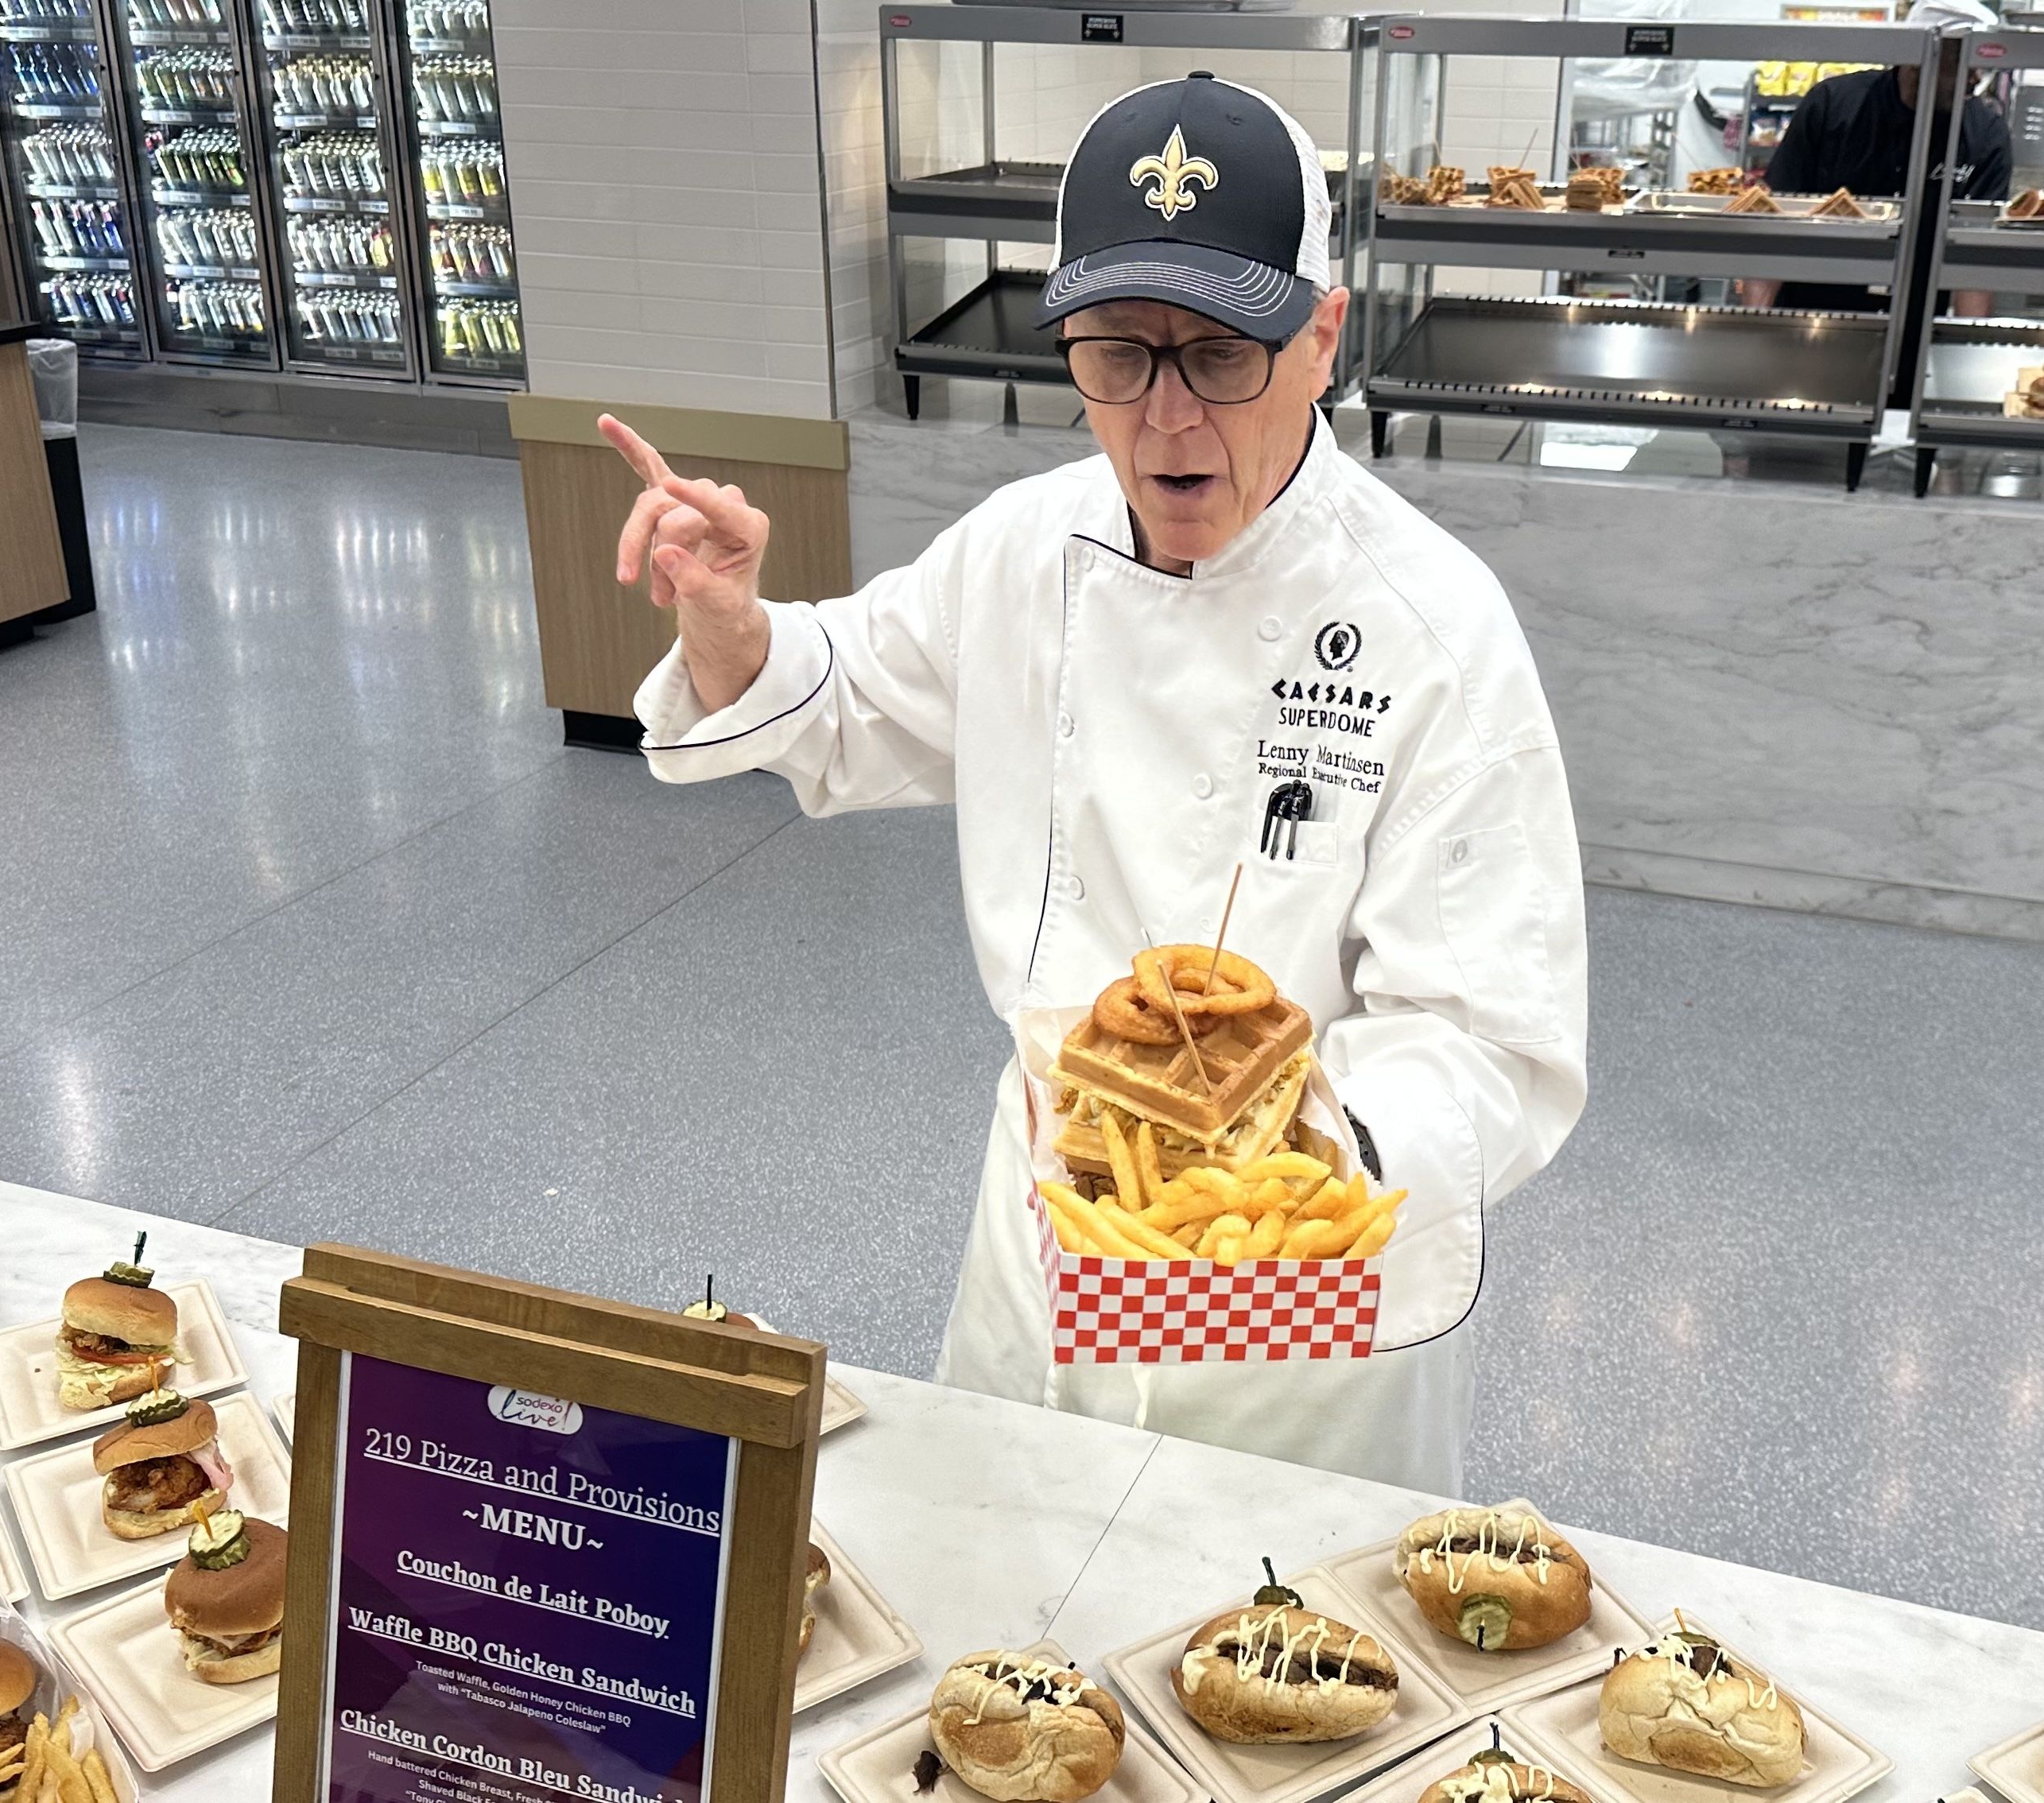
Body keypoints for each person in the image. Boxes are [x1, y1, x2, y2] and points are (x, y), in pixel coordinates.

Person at [601, 76, 1588, 1495]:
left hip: (1297, 1270)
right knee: (1016, 1616)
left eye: (1219, 354)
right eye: (1117, 355)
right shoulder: (1024, 549)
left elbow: (1499, 1040)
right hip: (1051, 1227)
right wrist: (737, 630)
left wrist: (1270, 1156)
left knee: (1258, 1637)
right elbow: (846, 687)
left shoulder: (1431, 627)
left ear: (1322, 336)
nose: (1166, 418)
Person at [1742, 0, 2009, 313]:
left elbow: (1975, 262)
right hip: (1814, 316)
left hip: (1917, 323)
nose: (1976, 78)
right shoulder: (1833, 106)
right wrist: (1755, 323)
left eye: (1979, 63)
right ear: (1918, 58)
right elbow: (1775, 225)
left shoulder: (1986, 135)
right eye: (1962, 60)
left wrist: (1964, 350)